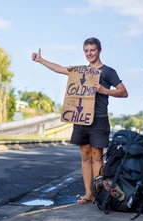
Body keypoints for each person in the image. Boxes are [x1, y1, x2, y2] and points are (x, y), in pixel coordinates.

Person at [32, 37, 128, 204]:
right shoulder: (81, 71)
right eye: (86, 51)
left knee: (97, 156)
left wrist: (105, 90)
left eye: (92, 50)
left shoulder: (108, 72)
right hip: (81, 118)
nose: (89, 53)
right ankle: (88, 194)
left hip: (99, 119)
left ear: (99, 51)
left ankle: (100, 195)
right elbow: (60, 69)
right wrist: (40, 60)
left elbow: (123, 92)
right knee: (85, 156)